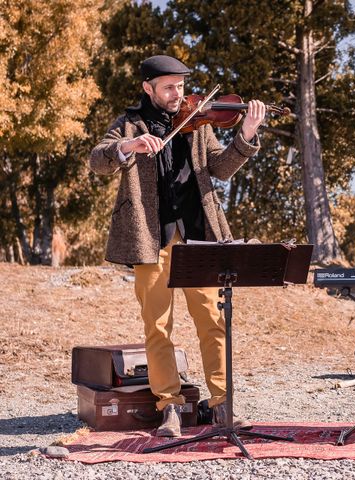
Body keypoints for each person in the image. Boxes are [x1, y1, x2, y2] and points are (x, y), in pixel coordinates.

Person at [89, 55, 266, 437]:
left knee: (212, 321)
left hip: (198, 233)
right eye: (168, 87)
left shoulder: (199, 122)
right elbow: (98, 160)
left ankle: (222, 405)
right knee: (157, 326)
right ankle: (168, 406)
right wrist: (129, 146)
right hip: (151, 238)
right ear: (148, 88)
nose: (177, 94)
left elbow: (219, 167)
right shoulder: (130, 122)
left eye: (181, 86)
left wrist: (246, 135)